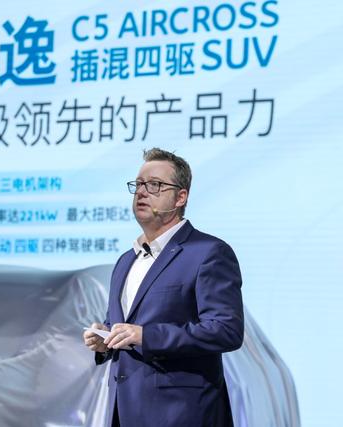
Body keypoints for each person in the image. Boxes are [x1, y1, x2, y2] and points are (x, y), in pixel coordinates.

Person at [83, 148, 244, 427]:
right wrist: (105, 341)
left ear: (181, 197)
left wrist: (147, 336)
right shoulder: (126, 260)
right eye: (138, 184)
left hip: (182, 413)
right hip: (125, 412)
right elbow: (125, 327)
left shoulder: (208, 252)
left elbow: (225, 330)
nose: (142, 192)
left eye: (155, 185)